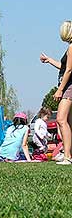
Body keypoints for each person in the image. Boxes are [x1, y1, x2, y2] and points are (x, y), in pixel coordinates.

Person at [40, 20, 72, 165]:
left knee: (61, 119)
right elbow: (64, 67)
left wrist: (60, 90)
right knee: (68, 121)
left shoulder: (71, 47)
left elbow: (69, 71)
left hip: (69, 87)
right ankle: (68, 153)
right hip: (67, 86)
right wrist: (49, 60)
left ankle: (67, 156)